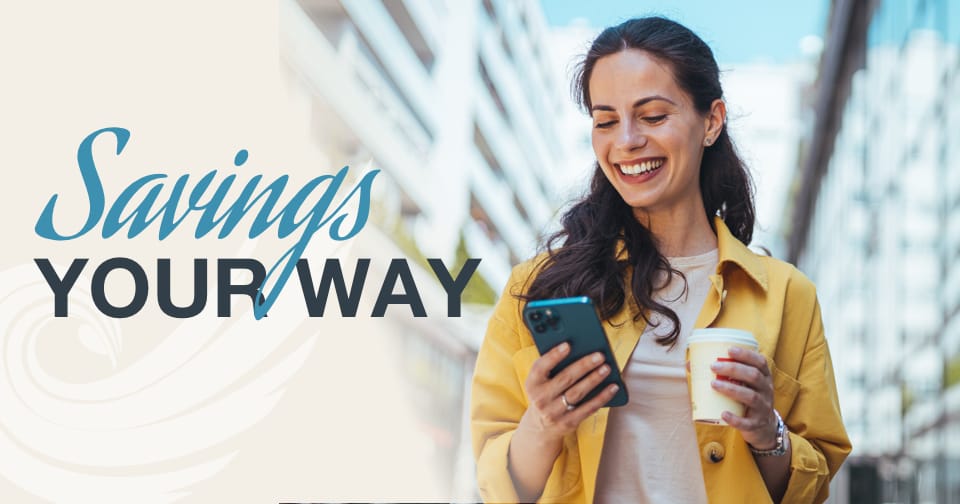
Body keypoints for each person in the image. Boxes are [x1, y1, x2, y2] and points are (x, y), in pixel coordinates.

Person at [469, 16, 851, 504]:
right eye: (606, 121)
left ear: (711, 121)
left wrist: (767, 432)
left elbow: (812, 486)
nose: (625, 140)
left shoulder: (787, 296)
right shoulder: (538, 287)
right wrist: (542, 424)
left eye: (651, 116)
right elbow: (496, 484)